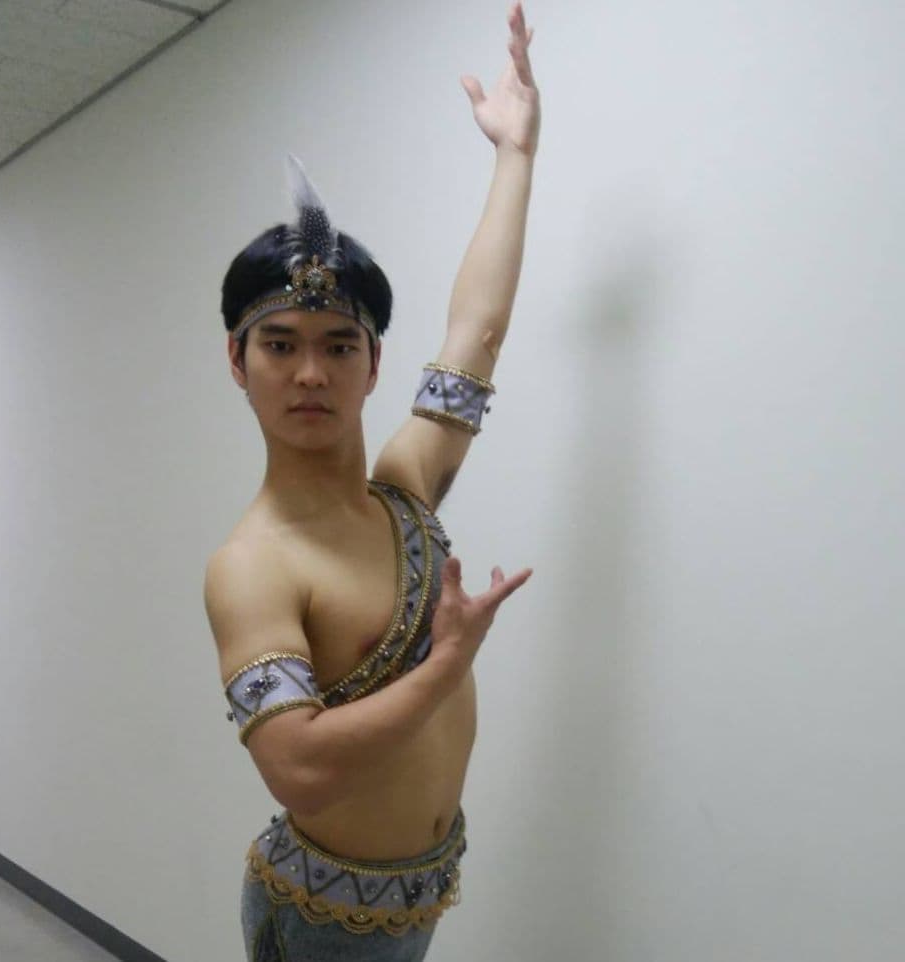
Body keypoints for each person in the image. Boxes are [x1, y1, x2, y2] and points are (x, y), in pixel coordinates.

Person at [203, 4, 540, 959]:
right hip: (321, 923)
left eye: (338, 346)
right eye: (280, 345)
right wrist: (446, 664)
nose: (311, 372)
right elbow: (299, 768)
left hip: (422, 892)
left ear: (373, 364)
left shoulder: (406, 489)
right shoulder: (252, 566)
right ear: (238, 361)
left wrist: (515, 156)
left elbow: (478, 333)